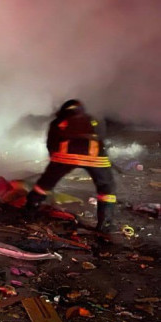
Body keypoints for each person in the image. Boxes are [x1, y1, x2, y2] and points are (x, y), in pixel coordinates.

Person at [25, 99, 116, 232]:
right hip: (95, 158)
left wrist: (53, 163)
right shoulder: (92, 120)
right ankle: (105, 224)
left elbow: (51, 143)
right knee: (106, 189)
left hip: (64, 157)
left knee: (44, 185)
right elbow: (100, 139)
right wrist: (104, 161)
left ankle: (30, 211)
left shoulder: (59, 122)